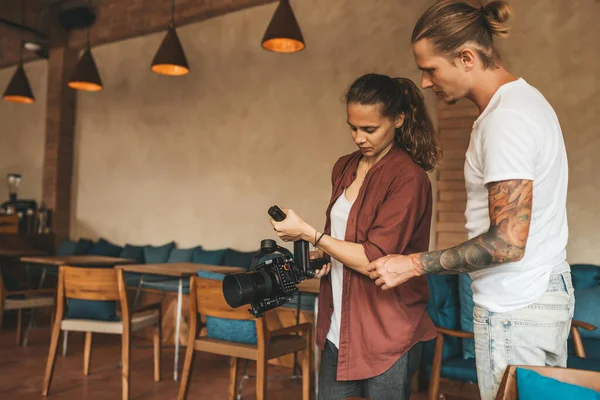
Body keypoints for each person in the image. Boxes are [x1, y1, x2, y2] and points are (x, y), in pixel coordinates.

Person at [366, 2, 573, 399]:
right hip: (538, 298)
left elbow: (506, 243)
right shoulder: (526, 104)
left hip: (515, 308)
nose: (425, 82)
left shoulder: (505, 121)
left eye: (430, 69)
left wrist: (412, 264)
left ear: (466, 58)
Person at [269, 73, 441, 400]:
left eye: (370, 129)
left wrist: (310, 234)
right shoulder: (344, 167)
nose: (359, 137)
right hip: (339, 325)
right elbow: (341, 238)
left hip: (387, 330)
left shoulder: (409, 178)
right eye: (352, 127)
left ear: (399, 120)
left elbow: (373, 260)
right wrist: (323, 256)